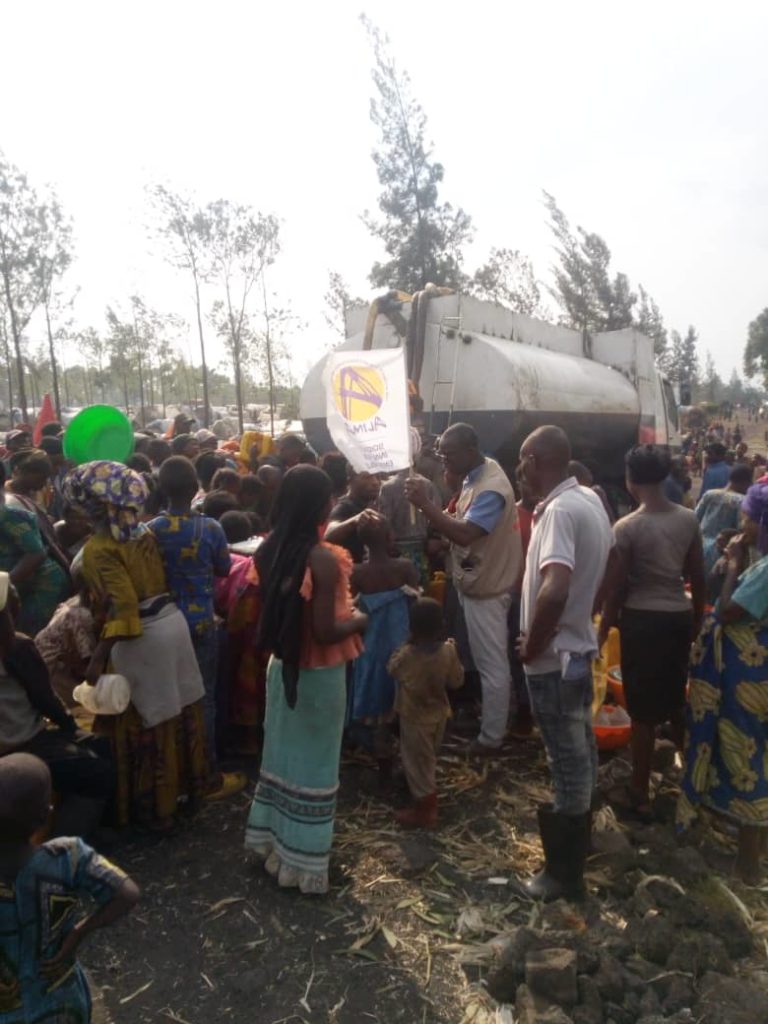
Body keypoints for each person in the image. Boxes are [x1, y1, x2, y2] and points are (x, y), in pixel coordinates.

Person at [64, 461, 209, 829]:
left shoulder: (99, 548)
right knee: (177, 713)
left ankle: (155, 813)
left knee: (144, 720)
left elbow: (125, 609)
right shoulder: (141, 531)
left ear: (89, 506)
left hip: (141, 636)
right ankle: (186, 796)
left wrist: (97, 659)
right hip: (171, 624)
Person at [245, 465, 368, 894]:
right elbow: (326, 631)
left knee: (282, 758)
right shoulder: (323, 558)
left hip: (282, 668)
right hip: (318, 675)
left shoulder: (269, 548)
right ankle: (303, 864)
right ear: (321, 504)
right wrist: (362, 617)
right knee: (315, 765)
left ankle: (271, 846)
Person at [518, 425, 612, 901]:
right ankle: (582, 847)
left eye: (522, 461)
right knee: (581, 748)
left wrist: (533, 645)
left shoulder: (557, 511)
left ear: (535, 461)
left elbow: (554, 588)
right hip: (575, 649)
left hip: (554, 660)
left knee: (566, 757)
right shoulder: (590, 501)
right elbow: (605, 568)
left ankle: (564, 873)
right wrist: (585, 616)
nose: (520, 470)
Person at [600, 445, 705, 821]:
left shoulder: (628, 527)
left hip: (642, 621)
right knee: (676, 701)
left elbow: (617, 588)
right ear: (664, 477)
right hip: (676, 616)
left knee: (642, 713)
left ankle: (639, 793)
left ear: (630, 481)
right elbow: (698, 575)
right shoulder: (688, 519)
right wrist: (695, 622)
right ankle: (696, 782)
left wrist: (602, 628)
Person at [406, 423, 522, 754]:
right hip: (477, 575)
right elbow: (462, 528)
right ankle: (490, 720)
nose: (444, 459)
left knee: (492, 665)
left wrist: (427, 507)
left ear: (471, 451)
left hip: (488, 587)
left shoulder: (490, 489)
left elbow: (466, 534)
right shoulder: (479, 475)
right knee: (484, 660)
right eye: (440, 453)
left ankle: (491, 737)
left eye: (448, 454)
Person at [0, 753, 139, 1024]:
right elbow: (127, 894)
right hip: (60, 1000)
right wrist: (78, 932)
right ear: (46, 814)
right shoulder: (68, 857)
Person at [679, 483, 768, 884]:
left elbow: (730, 610)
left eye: (748, 517)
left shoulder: (765, 570)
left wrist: (733, 565)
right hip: (751, 676)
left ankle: (748, 865)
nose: (742, 522)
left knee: (745, 755)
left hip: (749, 680)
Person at [148, 457, 241, 796]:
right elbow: (222, 569)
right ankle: (207, 773)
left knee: (170, 697)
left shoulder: (152, 530)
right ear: (194, 489)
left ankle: (174, 774)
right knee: (204, 697)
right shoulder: (210, 529)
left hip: (162, 622)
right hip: (201, 621)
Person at [0, 576, 115, 838]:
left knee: (97, 746)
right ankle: (64, 843)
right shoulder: (16, 647)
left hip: (14, 742)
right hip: (24, 744)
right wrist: (69, 726)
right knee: (98, 772)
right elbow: (45, 700)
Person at [348, 517, 418, 774]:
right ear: (390, 538)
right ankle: (411, 760)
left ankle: (384, 763)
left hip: (371, 648)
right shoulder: (404, 567)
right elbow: (417, 602)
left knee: (377, 707)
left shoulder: (357, 572)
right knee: (403, 698)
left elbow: (351, 607)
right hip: (401, 642)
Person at [388, 598, 464, 829]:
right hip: (440, 713)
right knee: (428, 756)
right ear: (441, 626)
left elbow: (391, 669)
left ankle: (425, 810)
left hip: (414, 717)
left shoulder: (407, 655)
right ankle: (423, 798)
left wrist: (404, 645)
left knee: (418, 763)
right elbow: (457, 681)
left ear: (411, 629)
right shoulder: (448, 651)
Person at [0, 460, 70, 636]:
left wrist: (5, 584)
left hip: (42, 585)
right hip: (16, 584)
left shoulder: (9, 512)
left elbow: (36, 553)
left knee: (26, 637)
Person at [35, 571, 102, 708]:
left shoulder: (77, 601)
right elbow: (89, 666)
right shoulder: (81, 616)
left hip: (49, 666)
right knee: (96, 700)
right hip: (52, 673)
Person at [378, 468, 437, 586]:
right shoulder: (428, 484)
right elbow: (436, 517)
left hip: (399, 551)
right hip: (421, 550)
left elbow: (384, 521)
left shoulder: (387, 487)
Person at [696, 462, 753, 576]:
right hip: (723, 552)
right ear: (745, 482)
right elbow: (741, 530)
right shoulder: (742, 501)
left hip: (699, 547)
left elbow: (694, 518)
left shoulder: (710, 494)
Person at [325, 467, 383, 563]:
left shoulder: (374, 505)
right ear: (350, 480)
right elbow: (329, 534)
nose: (375, 482)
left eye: (378, 476)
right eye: (367, 477)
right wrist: (355, 520)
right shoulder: (344, 507)